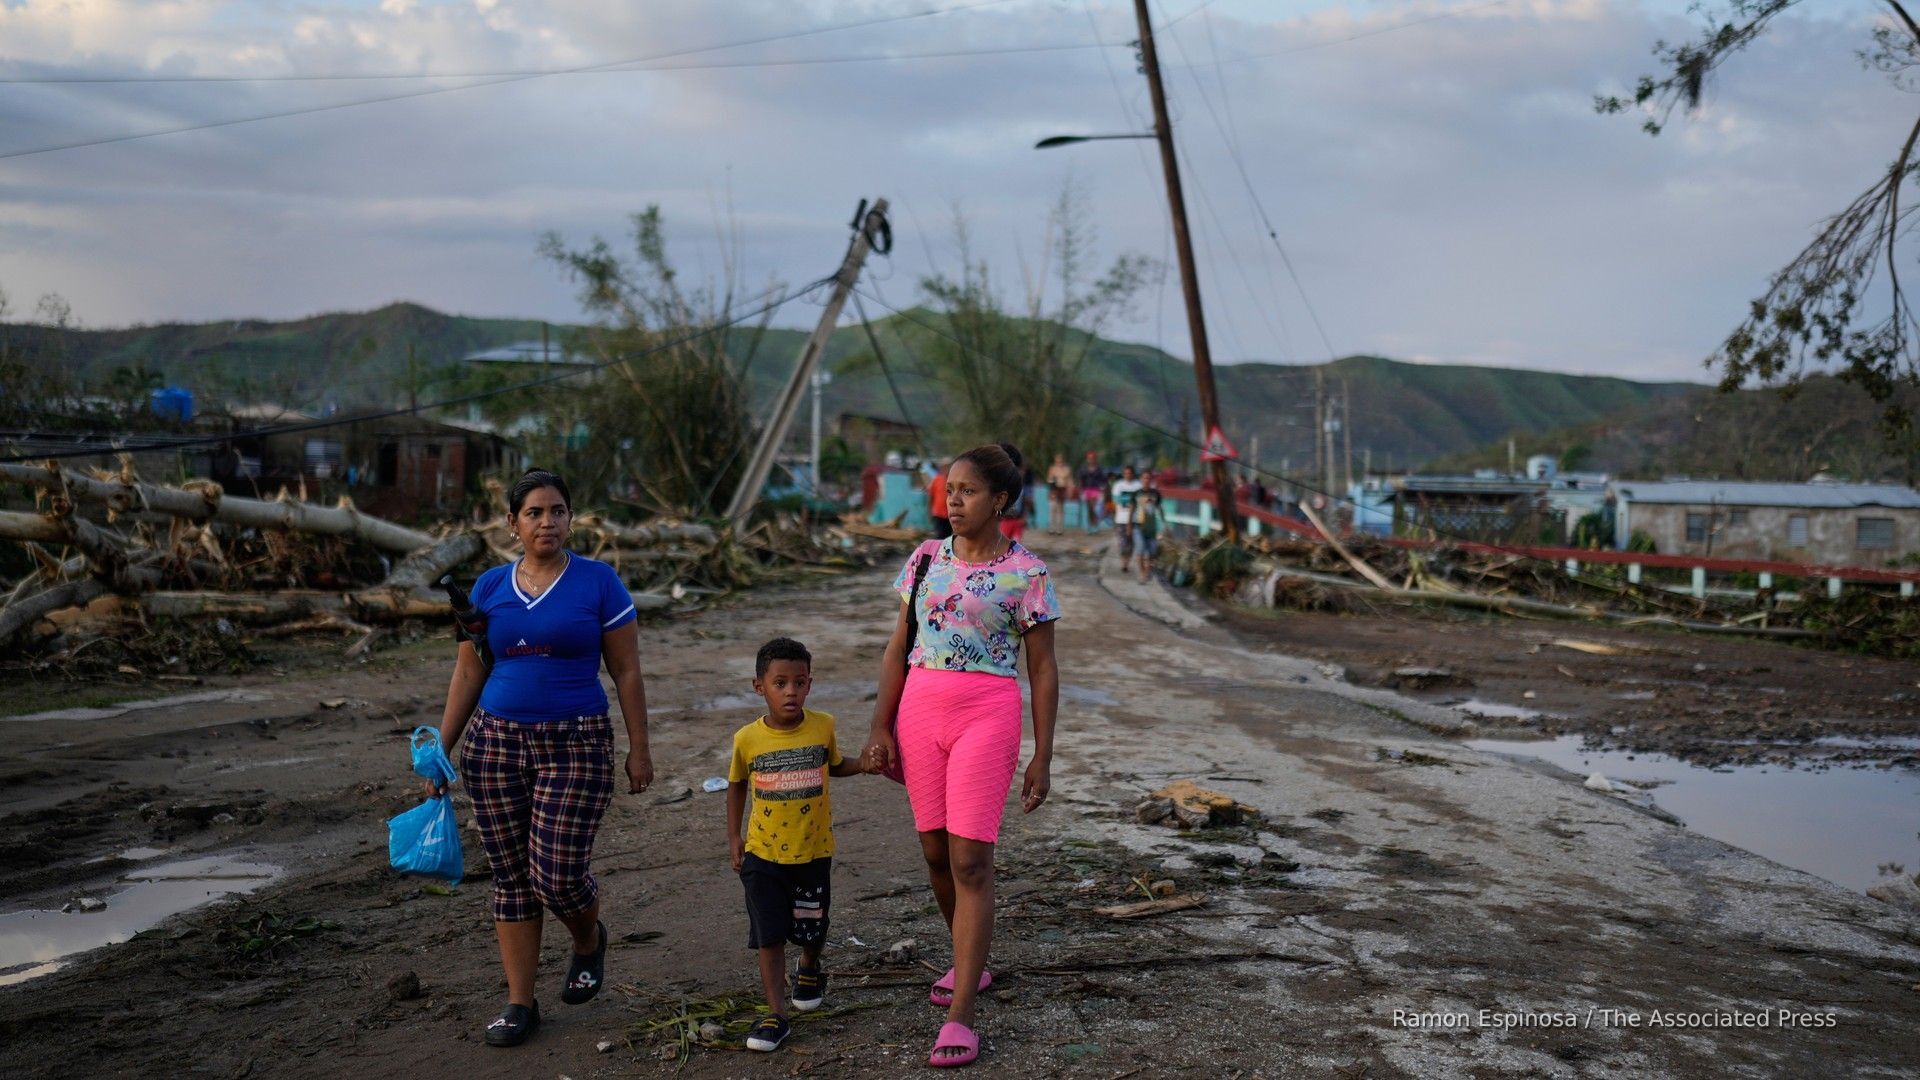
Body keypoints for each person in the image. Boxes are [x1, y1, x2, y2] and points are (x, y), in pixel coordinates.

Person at [431, 468, 653, 1048]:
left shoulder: (599, 583)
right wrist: (440, 749)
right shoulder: (487, 588)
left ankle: (587, 939)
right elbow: (469, 672)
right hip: (494, 745)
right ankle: (519, 1003)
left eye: (557, 511)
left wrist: (639, 749)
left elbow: (627, 670)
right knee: (511, 878)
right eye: (534, 512)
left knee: (555, 875)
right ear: (512, 523)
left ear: (571, 519)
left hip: (577, 743)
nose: (546, 522)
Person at [863, 443, 1061, 1068]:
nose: (953, 500)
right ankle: (968, 959)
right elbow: (898, 646)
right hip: (921, 712)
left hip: (987, 713)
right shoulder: (925, 559)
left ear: (999, 500)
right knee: (934, 852)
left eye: (967, 491)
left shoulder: (1027, 572)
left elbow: (1043, 670)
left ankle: (962, 1013)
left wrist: (1043, 754)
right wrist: (880, 725)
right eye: (950, 490)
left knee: (970, 860)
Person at [728, 637, 867, 1053]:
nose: (790, 692)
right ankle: (776, 1013)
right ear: (760, 687)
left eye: (799, 682)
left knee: (812, 926)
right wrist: (734, 837)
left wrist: (865, 764)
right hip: (763, 855)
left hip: (813, 851)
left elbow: (835, 765)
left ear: (810, 684)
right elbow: (736, 785)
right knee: (768, 933)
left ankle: (808, 964)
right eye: (780, 683)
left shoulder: (823, 726)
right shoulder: (747, 739)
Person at [1110, 465, 1145, 574]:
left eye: (1130, 473)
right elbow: (1116, 500)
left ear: (1133, 474)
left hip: (1135, 519)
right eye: (1126, 473)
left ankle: (1127, 563)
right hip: (1121, 519)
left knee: (1131, 544)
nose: (1128, 475)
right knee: (1122, 543)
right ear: (1123, 474)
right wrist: (1131, 500)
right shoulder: (1118, 485)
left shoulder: (1138, 485)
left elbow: (1141, 501)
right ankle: (1123, 562)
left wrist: (1128, 500)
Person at [1135, 486, 1166, 582]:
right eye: (1148, 496)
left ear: (1157, 498)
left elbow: (1162, 521)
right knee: (1140, 551)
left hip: (1153, 533)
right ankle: (1142, 572)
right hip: (1140, 532)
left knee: (1151, 554)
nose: (1150, 498)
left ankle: (1147, 572)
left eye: (1153, 496)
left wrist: (1161, 533)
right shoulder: (1140, 507)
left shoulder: (1158, 509)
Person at [1076, 451, 1106, 533]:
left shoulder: (1099, 468)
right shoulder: (1083, 468)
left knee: (1094, 508)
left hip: (1095, 489)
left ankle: (1095, 525)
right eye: (1089, 458)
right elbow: (1080, 480)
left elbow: (1103, 480)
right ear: (1087, 459)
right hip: (1086, 489)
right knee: (1089, 509)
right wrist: (1080, 491)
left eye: (1092, 458)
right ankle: (1090, 525)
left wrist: (1103, 490)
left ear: (1095, 459)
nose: (1091, 460)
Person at [1044, 453, 1073, 534]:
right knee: (1052, 508)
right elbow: (1049, 479)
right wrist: (1053, 481)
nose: (1059, 463)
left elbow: (1070, 481)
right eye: (1057, 461)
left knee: (1060, 509)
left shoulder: (1067, 469)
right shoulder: (1052, 469)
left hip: (1062, 490)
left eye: (1060, 461)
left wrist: (1070, 491)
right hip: (1054, 490)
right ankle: (1051, 528)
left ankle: (1060, 528)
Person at [928, 459, 952, 540]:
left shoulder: (953, 481)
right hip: (938, 514)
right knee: (939, 537)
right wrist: (930, 513)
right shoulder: (936, 480)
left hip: (950, 514)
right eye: (944, 467)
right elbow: (931, 497)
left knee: (949, 537)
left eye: (948, 467)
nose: (946, 469)